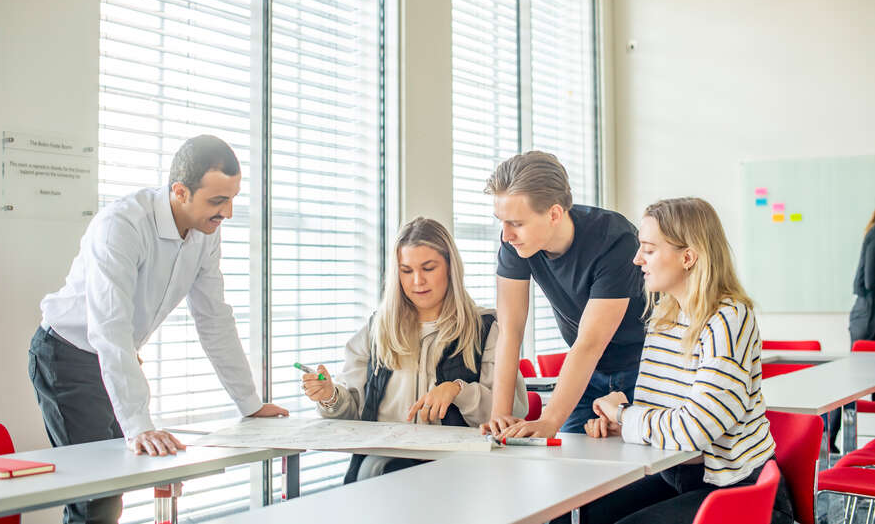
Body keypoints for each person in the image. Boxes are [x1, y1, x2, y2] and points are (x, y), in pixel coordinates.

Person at [28, 135, 288, 524]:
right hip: (66, 357)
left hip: (115, 357)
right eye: (218, 201)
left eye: (232, 198)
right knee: (97, 499)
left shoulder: (205, 235)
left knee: (118, 483)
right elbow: (109, 328)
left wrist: (249, 404)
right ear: (180, 191)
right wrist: (139, 426)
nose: (228, 214)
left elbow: (215, 319)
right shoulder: (121, 225)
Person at [569, 197, 793, 524]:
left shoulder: (729, 319)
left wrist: (625, 414)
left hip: (738, 489)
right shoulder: (665, 316)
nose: (636, 259)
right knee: (578, 514)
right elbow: (663, 416)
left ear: (687, 257)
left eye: (648, 249)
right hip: (675, 476)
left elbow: (695, 429)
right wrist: (621, 422)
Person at [301, 217, 528, 482]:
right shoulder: (376, 330)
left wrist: (458, 390)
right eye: (406, 271)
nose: (417, 281)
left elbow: (513, 411)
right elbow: (353, 413)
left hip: (459, 477)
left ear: (450, 268)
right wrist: (330, 396)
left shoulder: (486, 329)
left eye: (428, 268)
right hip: (379, 474)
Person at [482, 151, 646, 438]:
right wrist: (500, 416)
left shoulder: (615, 240)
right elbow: (510, 331)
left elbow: (590, 343)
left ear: (554, 214)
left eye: (516, 223)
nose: (506, 234)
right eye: (501, 221)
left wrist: (549, 421)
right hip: (584, 374)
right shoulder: (516, 243)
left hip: (642, 368)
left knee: (634, 469)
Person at [828, 208, 875, 451]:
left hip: (868, 316)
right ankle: (828, 438)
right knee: (850, 383)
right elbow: (869, 280)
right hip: (867, 319)